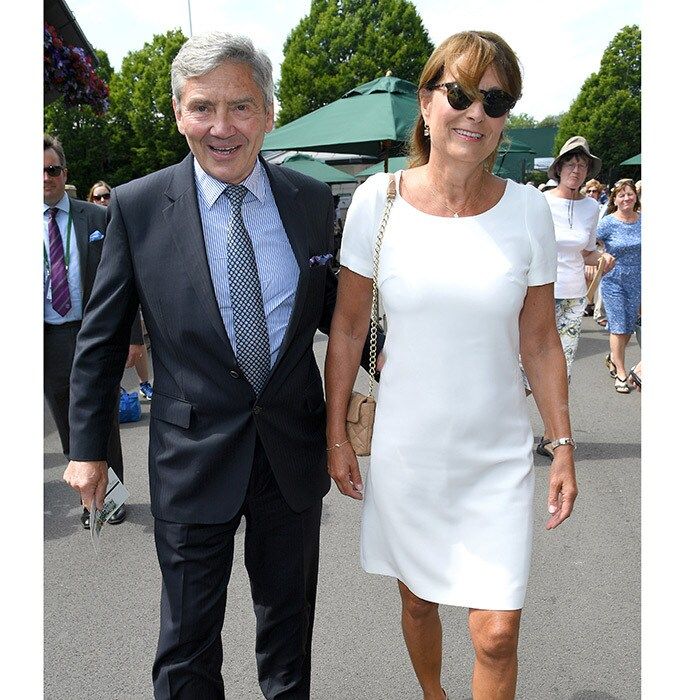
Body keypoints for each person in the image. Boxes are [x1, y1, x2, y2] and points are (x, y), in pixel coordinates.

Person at [63, 32, 378, 699]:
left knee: (288, 637)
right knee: (186, 648)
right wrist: (89, 449)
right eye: (203, 108)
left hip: (289, 454)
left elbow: (333, 313)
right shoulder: (139, 206)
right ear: (179, 113)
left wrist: (413, 354)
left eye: (241, 107)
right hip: (190, 456)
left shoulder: (308, 201)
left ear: (268, 112)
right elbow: (100, 337)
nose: (222, 127)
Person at [324, 30, 578, 700]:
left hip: (495, 456)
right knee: (417, 604)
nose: (475, 113)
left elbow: (542, 341)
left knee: (495, 633)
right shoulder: (378, 201)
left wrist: (563, 445)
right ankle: (435, 694)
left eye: (494, 101)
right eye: (460, 94)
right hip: (411, 453)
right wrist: (335, 438)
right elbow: (348, 330)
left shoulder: (528, 211)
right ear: (427, 103)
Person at [44, 135, 142, 528]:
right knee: (68, 424)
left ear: (64, 173)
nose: (45, 178)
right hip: (47, 339)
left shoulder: (97, 217)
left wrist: (133, 335)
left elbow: (126, 281)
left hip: (93, 335)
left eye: (52, 170)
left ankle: (112, 499)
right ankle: (89, 498)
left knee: (103, 419)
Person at [532, 137, 615, 456]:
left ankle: (551, 436)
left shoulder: (592, 207)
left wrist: (602, 260)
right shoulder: (541, 201)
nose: (576, 170)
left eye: (582, 165)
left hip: (573, 298)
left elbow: (587, 251)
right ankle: (501, 428)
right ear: (560, 168)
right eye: (571, 163)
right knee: (526, 371)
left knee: (560, 371)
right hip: (539, 294)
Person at [87, 180, 155, 400]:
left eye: (106, 195)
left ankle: (145, 383)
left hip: (126, 296)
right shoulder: (87, 225)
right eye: (97, 198)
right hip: (95, 306)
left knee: (136, 344)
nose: (102, 200)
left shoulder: (123, 219)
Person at [598, 178, 642, 393]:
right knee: (619, 324)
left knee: (628, 326)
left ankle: (614, 358)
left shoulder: (644, 221)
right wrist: (601, 254)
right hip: (614, 279)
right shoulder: (608, 223)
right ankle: (621, 372)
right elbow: (590, 244)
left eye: (630, 194)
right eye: (622, 195)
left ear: (636, 196)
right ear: (615, 199)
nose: (626, 198)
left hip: (639, 280)